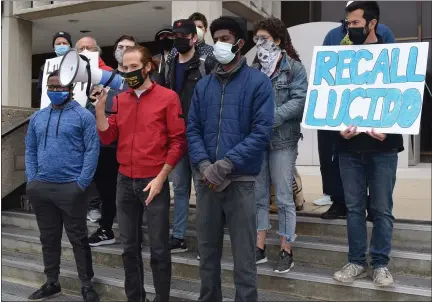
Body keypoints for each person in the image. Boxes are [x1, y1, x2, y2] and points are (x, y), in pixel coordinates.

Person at [187, 16, 274, 302]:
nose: (219, 44)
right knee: (207, 254)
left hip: (241, 182)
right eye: (216, 39)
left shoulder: (259, 83)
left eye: (225, 38)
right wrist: (203, 166)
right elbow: (193, 130)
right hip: (207, 183)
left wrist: (225, 165)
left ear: (239, 42)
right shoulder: (204, 86)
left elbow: (261, 133)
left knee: (245, 259)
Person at [94, 45, 186, 302]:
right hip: (124, 181)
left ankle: (162, 298)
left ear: (148, 67)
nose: (128, 72)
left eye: (134, 67)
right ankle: (136, 297)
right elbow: (108, 136)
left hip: (153, 181)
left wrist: (161, 178)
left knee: (158, 249)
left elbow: (178, 141)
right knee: (128, 249)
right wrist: (100, 110)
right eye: (124, 68)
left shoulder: (167, 98)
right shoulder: (120, 99)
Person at [332, 1, 403, 287]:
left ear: (372, 24)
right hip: (349, 148)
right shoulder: (341, 59)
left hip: (384, 149)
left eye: (355, 24)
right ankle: (356, 262)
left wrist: (390, 126)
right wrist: (339, 131)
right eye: (348, 24)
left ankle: (381, 264)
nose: (350, 28)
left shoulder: (394, 58)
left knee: (382, 208)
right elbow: (333, 101)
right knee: (353, 208)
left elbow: (403, 99)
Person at [315, 1, 396, 220]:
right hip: (339, 109)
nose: (352, 24)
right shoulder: (333, 36)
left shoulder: (384, 32)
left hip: (371, 107)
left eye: (356, 20)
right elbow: (325, 70)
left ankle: (372, 203)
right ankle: (338, 201)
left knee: (371, 159)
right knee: (333, 156)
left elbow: (394, 71)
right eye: (349, 20)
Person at [25, 70, 100, 302]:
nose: (55, 91)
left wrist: (81, 184)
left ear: (70, 89)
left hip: (72, 188)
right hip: (42, 188)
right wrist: (31, 181)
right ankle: (52, 282)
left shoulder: (83, 116)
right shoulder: (38, 117)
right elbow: (30, 149)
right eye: (51, 87)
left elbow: (92, 150)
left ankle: (87, 285)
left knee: (78, 239)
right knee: (48, 238)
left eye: (60, 87)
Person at [251, 17, 308, 273]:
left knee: (284, 197)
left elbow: (299, 101)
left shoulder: (294, 68)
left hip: (283, 139)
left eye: (265, 38)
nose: (260, 43)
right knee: (259, 195)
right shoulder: (252, 70)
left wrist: (270, 118)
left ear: (278, 39)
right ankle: (259, 246)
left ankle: (286, 249)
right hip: (257, 141)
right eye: (257, 39)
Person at [163, 19, 217, 254]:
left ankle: (207, 239)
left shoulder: (206, 62)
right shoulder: (170, 63)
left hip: (199, 135)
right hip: (176, 135)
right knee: (181, 188)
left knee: (203, 187)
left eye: (183, 35)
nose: (178, 39)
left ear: (194, 38)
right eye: (174, 35)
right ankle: (178, 236)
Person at [87, 35, 138, 247]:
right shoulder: (105, 78)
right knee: (107, 190)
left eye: (129, 47)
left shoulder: (141, 80)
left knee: (132, 191)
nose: (123, 50)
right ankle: (106, 228)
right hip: (107, 146)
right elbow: (93, 108)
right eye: (120, 47)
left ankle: (134, 233)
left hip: (132, 147)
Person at [75, 36, 113, 222]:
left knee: (101, 173)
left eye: (89, 48)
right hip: (76, 133)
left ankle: (103, 208)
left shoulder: (108, 74)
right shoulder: (70, 74)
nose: (85, 52)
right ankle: (90, 204)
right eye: (81, 49)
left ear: (97, 51)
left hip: (101, 131)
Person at [36, 31, 73, 102]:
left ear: (70, 46)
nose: (61, 45)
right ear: (54, 48)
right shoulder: (45, 67)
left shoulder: (76, 63)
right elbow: (41, 88)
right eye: (58, 44)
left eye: (64, 43)